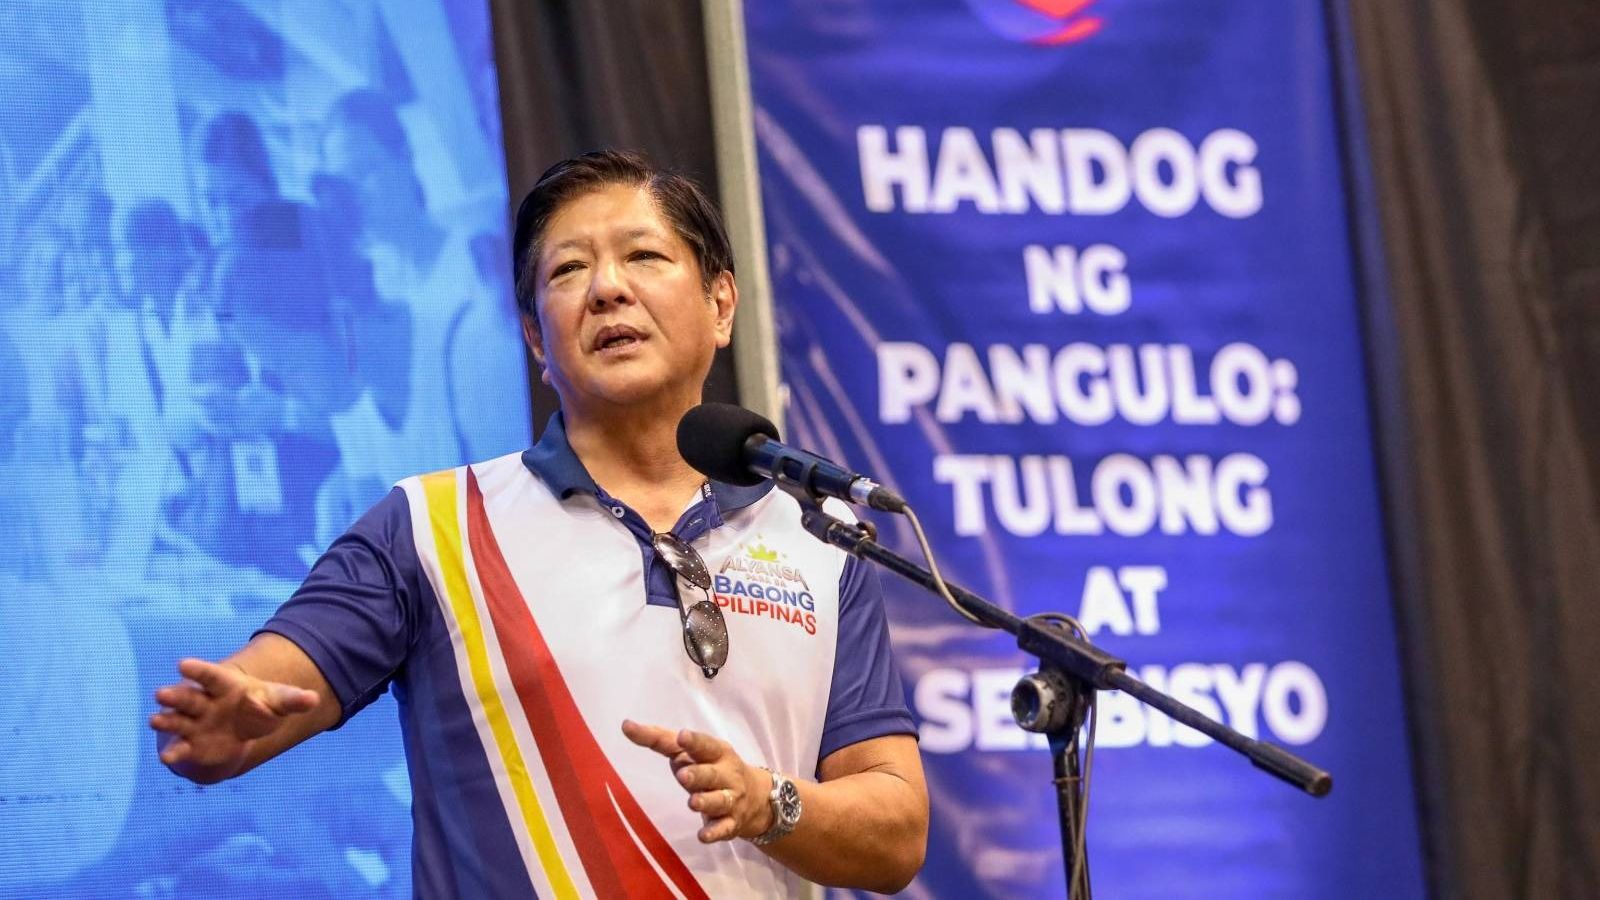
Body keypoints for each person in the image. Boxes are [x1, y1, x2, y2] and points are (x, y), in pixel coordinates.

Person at [150, 150, 929, 897]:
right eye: (568, 270)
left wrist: (770, 803)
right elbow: (258, 692)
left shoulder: (817, 537)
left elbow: (896, 833)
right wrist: (226, 719)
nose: (608, 289)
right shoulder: (434, 526)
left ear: (721, 304)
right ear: (535, 340)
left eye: (643, 256)